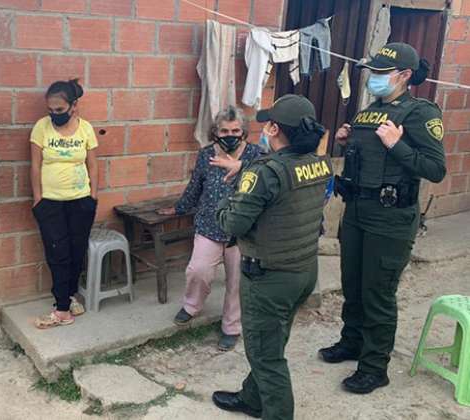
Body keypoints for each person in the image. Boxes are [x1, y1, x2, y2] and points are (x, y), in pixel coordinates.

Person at [318, 42, 446, 394]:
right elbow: (369, 159)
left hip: (391, 218)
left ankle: (375, 367)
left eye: (380, 73)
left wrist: (397, 145)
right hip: (358, 211)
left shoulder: (420, 113)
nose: (373, 79)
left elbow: (435, 169)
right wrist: (346, 141)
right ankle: (352, 341)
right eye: (372, 73)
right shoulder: (369, 111)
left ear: (404, 76)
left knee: (378, 293)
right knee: (353, 284)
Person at [212, 95, 332, 419]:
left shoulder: (265, 171)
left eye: (268, 123)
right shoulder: (320, 161)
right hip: (303, 270)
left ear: (275, 129)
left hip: (270, 277)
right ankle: (253, 398)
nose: (264, 128)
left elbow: (233, 222)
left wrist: (228, 197)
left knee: (266, 356)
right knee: (271, 343)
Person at [158, 106, 263, 351]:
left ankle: (232, 326)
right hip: (209, 224)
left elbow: (267, 185)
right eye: (224, 130)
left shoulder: (257, 156)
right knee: (198, 270)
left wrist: (242, 168)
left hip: (243, 230)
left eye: (235, 130)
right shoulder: (206, 155)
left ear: (244, 131)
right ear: (216, 132)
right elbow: (195, 186)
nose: (230, 135)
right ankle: (192, 305)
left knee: (237, 281)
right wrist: (179, 208)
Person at [30, 79, 98, 329]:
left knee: (76, 252)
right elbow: (35, 165)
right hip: (50, 203)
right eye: (51, 110)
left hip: (81, 202)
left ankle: (67, 299)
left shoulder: (86, 129)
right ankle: (61, 310)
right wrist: (38, 198)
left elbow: (93, 164)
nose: (54, 114)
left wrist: (93, 196)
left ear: (73, 106)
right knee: (57, 254)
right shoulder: (41, 128)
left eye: (59, 110)